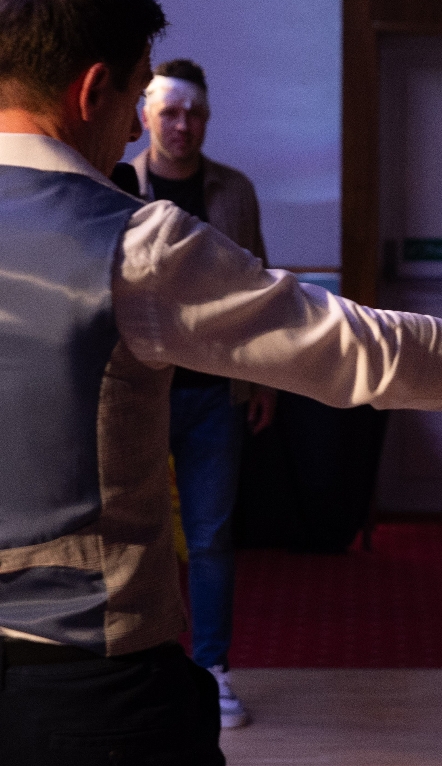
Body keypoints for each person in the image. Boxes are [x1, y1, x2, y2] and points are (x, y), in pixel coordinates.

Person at [0, 0, 442, 766]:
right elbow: (355, 349)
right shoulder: (134, 243)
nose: (135, 130)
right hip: (88, 691)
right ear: (91, 90)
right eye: (136, 98)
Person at [127, 57, 271, 728]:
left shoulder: (233, 191)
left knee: (211, 538)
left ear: (206, 119)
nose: (183, 125)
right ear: (148, 116)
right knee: (137, 533)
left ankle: (213, 669)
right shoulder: (117, 182)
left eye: (195, 114)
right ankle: (144, 668)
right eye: (171, 112)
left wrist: (265, 377)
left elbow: (258, 290)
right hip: (136, 391)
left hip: (216, 391)